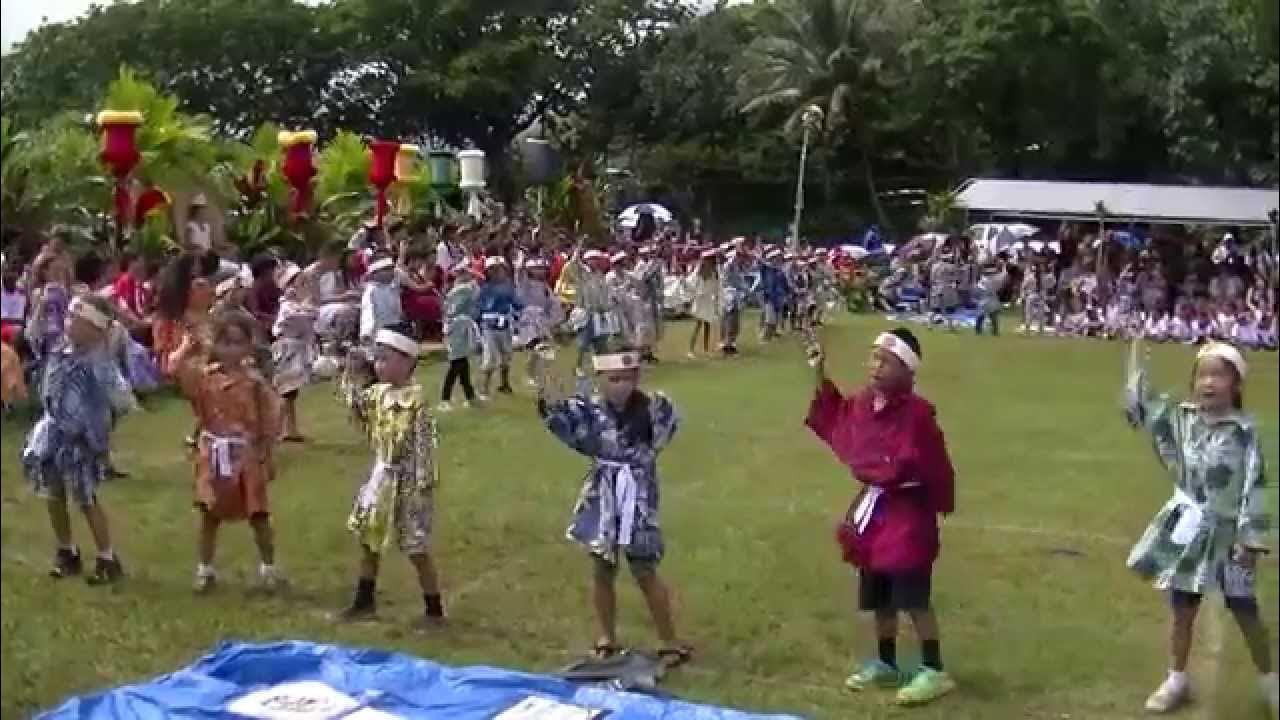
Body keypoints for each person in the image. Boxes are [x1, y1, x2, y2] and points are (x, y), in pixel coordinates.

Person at [804, 327, 957, 706]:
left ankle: (934, 669)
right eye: (873, 357)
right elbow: (836, 415)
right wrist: (818, 371)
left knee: (913, 594)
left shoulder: (918, 415)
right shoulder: (864, 404)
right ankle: (887, 663)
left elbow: (937, 467)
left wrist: (931, 497)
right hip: (875, 513)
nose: (875, 366)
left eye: (885, 361)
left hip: (908, 515)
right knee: (879, 592)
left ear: (906, 369)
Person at [1124, 340, 1277, 714]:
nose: (1209, 382)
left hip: (1230, 539)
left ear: (1236, 384)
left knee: (1245, 611)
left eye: (1219, 375)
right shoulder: (1181, 417)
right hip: (1187, 534)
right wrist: (1135, 364)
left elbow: (1255, 483)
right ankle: (1176, 678)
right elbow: (1141, 408)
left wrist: (1250, 538)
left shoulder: (1245, 433)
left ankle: (1271, 681)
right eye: (1203, 374)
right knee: (1182, 609)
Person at [536, 344, 692, 668]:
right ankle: (607, 637)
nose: (618, 384)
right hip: (603, 494)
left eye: (625, 378)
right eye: (611, 378)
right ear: (600, 378)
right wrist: (549, 395)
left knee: (644, 569)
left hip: (638, 495)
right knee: (602, 569)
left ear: (636, 377)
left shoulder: (654, 409)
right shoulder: (589, 409)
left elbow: (664, 432)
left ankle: (669, 641)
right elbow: (563, 422)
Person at [336, 325, 445, 625]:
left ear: (409, 362)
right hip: (381, 476)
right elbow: (357, 411)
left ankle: (434, 609)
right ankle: (364, 600)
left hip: (410, 482)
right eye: (378, 359)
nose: (381, 365)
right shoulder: (376, 394)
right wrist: (350, 374)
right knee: (369, 538)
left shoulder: (416, 401)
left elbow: (424, 443)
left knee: (415, 545)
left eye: (388, 359)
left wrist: (423, 483)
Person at [171, 309, 284, 593]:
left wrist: (267, 452)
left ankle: (269, 568)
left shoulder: (255, 382)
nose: (230, 350)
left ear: (248, 345)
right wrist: (188, 346)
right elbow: (176, 373)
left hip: (246, 457)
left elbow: (271, 417)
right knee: (210, 514)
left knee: (258, 514)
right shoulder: (205, 378)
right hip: (213, 455)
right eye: (225, 342)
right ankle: (205, 569)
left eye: (237, 342)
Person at [21, 296, 127, 584]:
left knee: (85, 497)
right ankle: (66, 551)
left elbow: (120, 399)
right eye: (68, 317)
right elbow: (33, 337)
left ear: (96, 329)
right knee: (53, 494)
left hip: (81, 439)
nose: (69, 323)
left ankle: (107, 557)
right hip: (53, 433)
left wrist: (98, 430)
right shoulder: (59, 350)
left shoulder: (100, 363)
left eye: (76, 320)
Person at [272, 265, 317, 443]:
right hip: (287, 349)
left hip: (296, 348)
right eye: (298, 280)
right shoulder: (288, 305)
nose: (303, 282)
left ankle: (290, 429)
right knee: (285, 391)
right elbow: (305, 317)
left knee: (291, 393)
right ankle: (275, 429)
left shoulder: (297, 303)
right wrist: (306, 304)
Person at [476, 256, 523, 398]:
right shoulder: (485, 289)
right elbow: (479, 308)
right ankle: (484, 388)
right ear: (488, 272)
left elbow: (516, 303)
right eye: (494, 270)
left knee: (506, 355)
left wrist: (520, 311)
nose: (498, 273)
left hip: (505, 326)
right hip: (489, 327)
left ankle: (504, 383)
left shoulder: (509, 287)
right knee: (490, 357)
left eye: (501, 269)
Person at [438, 263, 480, 411]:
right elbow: (453, 310)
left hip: (458, 328)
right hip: (456, 329)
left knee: (462, 364)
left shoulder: (458, 289)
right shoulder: (464, 289)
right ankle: (445, 399)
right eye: (465, 272)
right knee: (456, 365)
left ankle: (470, 396)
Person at [358, 257, 403, 346]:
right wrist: (366, 331)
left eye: (391, 269)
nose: (390, 272)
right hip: (377, 329)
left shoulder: (392, 288)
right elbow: (367, 311)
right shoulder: (371, 291)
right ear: (374, 274)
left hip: (394, 326)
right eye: (385, 270)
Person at [686, 250, 721, 358]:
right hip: (700, 300)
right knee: (698, 325)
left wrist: (716, 298)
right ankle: (690, 350)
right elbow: (691, 283)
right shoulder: (698, 271)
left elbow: (716, 286)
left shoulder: (714, 272)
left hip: (708, 301)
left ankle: (706, 349)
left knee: (707, 325)